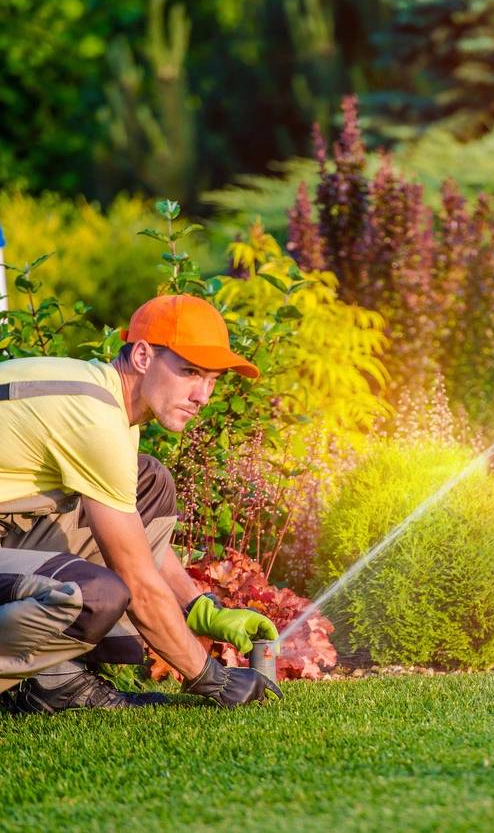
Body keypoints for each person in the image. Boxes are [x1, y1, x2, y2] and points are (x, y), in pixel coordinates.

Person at [0, 294, 283, 712]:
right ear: (144, 356)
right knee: (92, 596)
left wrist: (197, 608)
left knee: (148, 480)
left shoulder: (106, 402)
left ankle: (51, 680)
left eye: (212, 379)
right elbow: (136, 577)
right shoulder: (92, 416)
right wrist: (210, 677)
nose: (202, 395)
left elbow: (134, 537)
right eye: (190, 372)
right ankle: (46, 678)